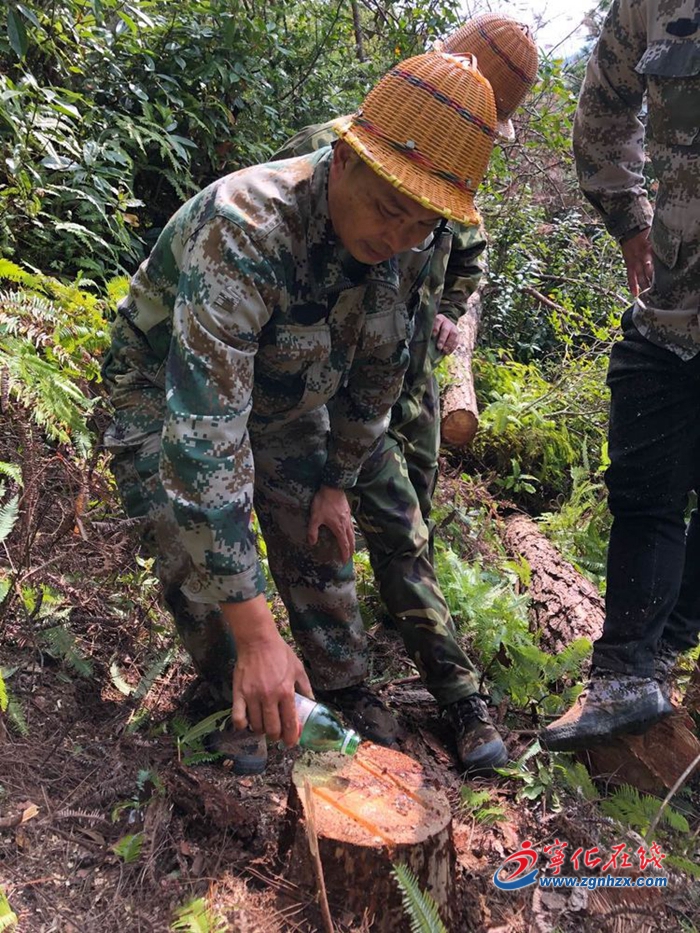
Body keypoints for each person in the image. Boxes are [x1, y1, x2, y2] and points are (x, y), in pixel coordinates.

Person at [102, 51, 498, 775]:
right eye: (388, 209)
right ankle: (238, 692)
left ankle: (340, 687)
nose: (397, 236)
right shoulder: (247, 226)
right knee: (188, 540)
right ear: (344, 160)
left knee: (322, 539)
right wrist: (256, 631)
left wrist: (336, 481)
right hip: (164, 391)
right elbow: (203, 440)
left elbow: (379, 374)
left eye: (419, 223)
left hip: (288, 393)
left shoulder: (414, 243)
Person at [274, 15, 538, 773]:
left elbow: (462, 262)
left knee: (403, 523)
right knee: (318, 533)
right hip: (305, 381)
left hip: (392, 377)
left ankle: (459, 697)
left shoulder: (453, 188)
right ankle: (343, 681)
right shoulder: (332, 151)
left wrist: (449, 311)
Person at [542, 0, 700, 751]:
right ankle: (627, 674)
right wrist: (630, 217)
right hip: (675, 308)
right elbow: (604, 107)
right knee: (643, 486)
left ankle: (666, 647)